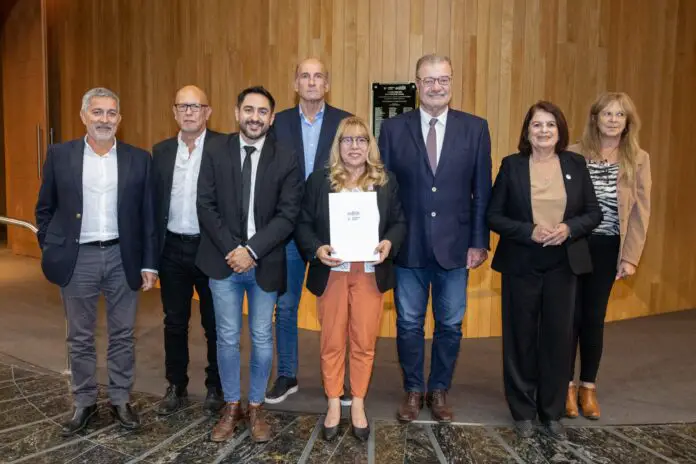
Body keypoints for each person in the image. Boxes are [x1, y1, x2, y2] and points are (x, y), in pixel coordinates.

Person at [35, 87, 158, 436]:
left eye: (111, 113)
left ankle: (120, 399)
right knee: (79, 336)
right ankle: (84, 401)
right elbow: (45, 208)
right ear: (84, 116)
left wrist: (149, 264)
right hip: (78, 259)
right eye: (97, 112)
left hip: (123, 257)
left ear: (120, 119)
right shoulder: (60, 155)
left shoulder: (139, 159)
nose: (105, 119)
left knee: (123, 334)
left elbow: (148, 216)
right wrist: (52, 247)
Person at [378, 54, 492, 423]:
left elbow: (482, 191)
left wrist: (479, 241)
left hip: (456, 247)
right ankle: (413, 389)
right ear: (417, 85)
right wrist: (386, 239)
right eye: (428, 80)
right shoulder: (393, 129)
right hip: (407, 246)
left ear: (452, 83)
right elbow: (385, 191)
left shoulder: (475, 129)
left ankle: (439, 389)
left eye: (443, 79)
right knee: (408, 323)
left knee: (450, 324)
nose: (436, 86)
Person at [487, 101, 602, 439]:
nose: (544, 131)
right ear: (527, 131)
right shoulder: (511, 166)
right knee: (520, 337)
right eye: (537, 125)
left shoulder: (575, 164)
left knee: (558, 339)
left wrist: (569, 228)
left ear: (560, 130)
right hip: (522, 263)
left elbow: (593, 213)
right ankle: (523, 411)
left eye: (550, 124)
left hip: (563, 265)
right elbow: (493, 215)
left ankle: (551, 412)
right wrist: (529, 231)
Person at [196, 86, 303, 443]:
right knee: (226, 337)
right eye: (249, 110)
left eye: (262, 112)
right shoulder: (215, 150)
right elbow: (205, 205)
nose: (254, 117)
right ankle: (231, 406)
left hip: (265, 263)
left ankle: (255, 407)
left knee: (261, 336)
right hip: (223, 261)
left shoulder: (286, 157)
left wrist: (252, 251)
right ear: (236, 112)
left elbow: (288, 214)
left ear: (271, 119)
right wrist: (234, 250)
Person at [295, 116, 406, 441]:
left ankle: (357, 402)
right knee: (331, 341)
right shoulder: (320, 181)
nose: (354, 146)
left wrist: (389, 242)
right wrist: (317, 248)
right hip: (333, 272)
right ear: (338, 145)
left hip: (370, 273)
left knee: (364, 342)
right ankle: (333, 401)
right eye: (347, 139)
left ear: (369, 145)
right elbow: (303, 223)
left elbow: (399, 222)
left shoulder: (385, 181)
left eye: (361, 139)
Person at [266, 58, 352, 405]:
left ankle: (338, 381)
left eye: (318, 76)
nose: (312, 82)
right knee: (286, 306)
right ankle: (287, 375)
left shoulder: (344, 122)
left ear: (327, 84)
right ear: (296, 83)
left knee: (336, 311)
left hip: (331, 232)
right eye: (305, 76)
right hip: (287, 231)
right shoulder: (278, 123)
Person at [565, 92, 651, 420]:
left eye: (619, 115)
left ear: (628, 122)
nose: (613, 120)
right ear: (595, 118)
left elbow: (641, 212)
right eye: (607, 114)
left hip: (609, 246)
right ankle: (565, 386)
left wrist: (630, 257)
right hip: (574, 244)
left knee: (593, 318)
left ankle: (587, 387)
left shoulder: (639, 158)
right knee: (568, 317)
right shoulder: (573, 153)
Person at [151, 85, 223, 416]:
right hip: (172, 249)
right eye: (183, 106)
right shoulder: (162, 151)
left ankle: (216, 386)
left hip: (210, 249)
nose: (189, 112)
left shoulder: (224, 147)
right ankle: (175, 385)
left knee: (215, 323)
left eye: (196, 106)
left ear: (208, 112)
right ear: (174, 112)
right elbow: (153, 203)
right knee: (174, 322)